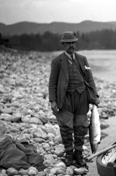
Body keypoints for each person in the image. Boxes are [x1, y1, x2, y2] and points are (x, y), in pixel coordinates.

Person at [49, 31, 99, 167]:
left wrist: (94, 96)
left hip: (82, 97)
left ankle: (79, 154)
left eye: (73, 42)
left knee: (81, 127)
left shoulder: (83, 59)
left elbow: (90, 78)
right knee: (65, 128)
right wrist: (53, 100)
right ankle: (69, 154)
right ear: (63, 44)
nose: (71, 45)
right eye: (68, 43)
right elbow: (52, 82)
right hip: (65, 98)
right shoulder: (57, 61)